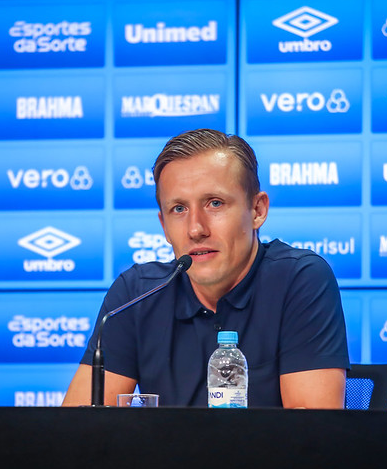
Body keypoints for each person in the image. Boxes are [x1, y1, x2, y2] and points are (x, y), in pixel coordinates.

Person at [62, 128, 348, 408]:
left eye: (214, 203)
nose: (196, 229)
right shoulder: (136, 294)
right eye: (179, 209)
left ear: (257, 211)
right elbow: (78, 434)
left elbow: (312, 438)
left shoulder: (299, 280)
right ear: (163, 225)